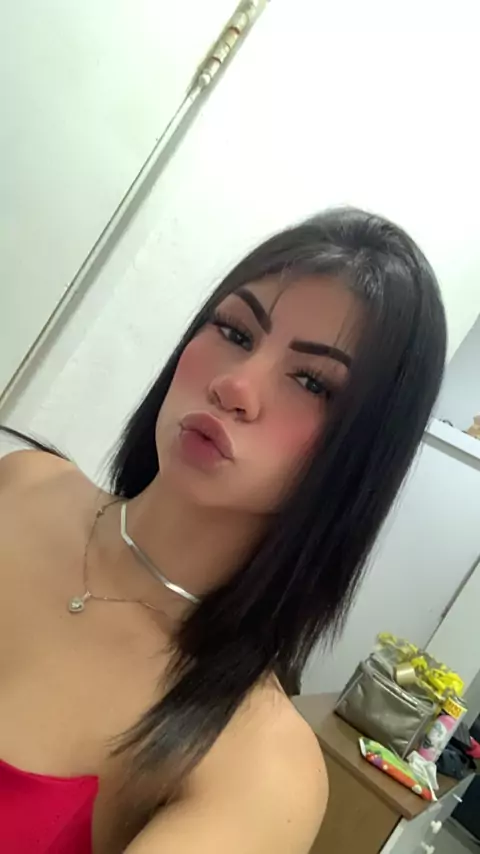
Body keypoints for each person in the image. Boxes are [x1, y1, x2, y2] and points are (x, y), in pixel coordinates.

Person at [0, 207, 446, 854]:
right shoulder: (22, 485)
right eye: (235, 331)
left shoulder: (258, 763)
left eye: (310, 382)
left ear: (360, 457)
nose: (235, 385)